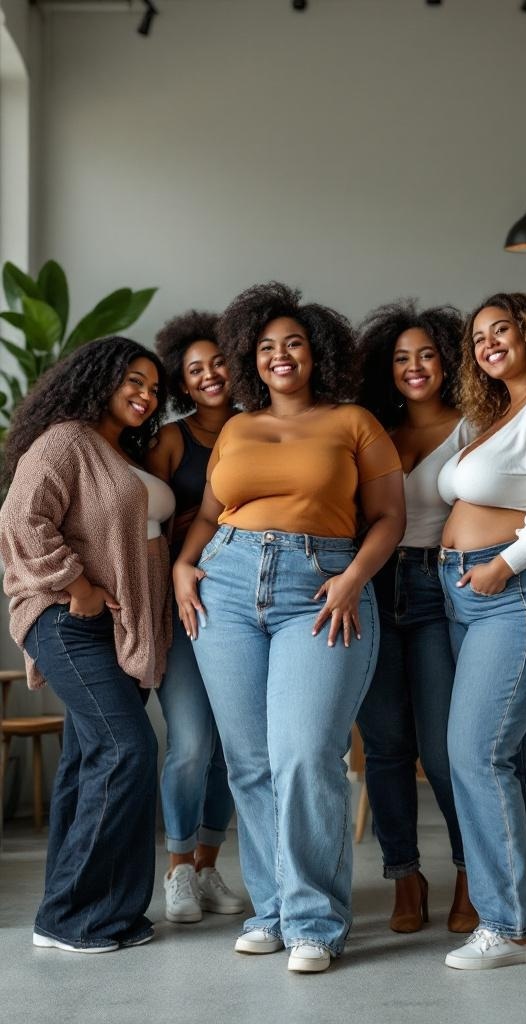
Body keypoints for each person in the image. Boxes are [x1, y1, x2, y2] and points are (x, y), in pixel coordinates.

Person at [173, 282, 405, 972]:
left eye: (294, 342)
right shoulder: (238, 428)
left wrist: (354, 577)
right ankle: (272, 911)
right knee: (250, 762)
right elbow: (210, 515)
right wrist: (183, 565)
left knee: (305, 753)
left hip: (322, 587)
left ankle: (314, 923)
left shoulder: (354, 422)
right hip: (226, 585)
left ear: (317, 352)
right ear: (251, 358)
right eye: (266, 346)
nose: (280, 355)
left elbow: (389, 517)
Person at [0, 337, 175, 953]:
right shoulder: (65, 440)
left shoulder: (120, 449)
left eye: (154, 387)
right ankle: (72, 917)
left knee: (85, 763)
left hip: (115, 627)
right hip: (67, 620)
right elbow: (20, 519)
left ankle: (96, 914)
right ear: (99, 378)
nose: (145, 395)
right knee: (127, 749)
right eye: (133, 380)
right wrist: (79, 586)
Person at [436, 293, 526, 970]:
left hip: (521, 588)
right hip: (473, 592)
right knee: (510, 757)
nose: (489, 342)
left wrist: (504, 564)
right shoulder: (498, 414)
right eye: (479, 336)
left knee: (474, 754)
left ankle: (509, 929)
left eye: (503, 329)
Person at [355, 300, 478, 934]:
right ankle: (405, 874)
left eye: (427, 354)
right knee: (385, 746)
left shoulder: (473, 426)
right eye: (402, 357)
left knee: (443, 748)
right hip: (372, 586)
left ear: (448, 361)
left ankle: (470, 871)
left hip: (439, 587)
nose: (415, 367)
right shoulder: (374, 429)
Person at [146, 310, 243, 922]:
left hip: (241, 604)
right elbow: (147, 520)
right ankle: (178, 869)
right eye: (195, 369)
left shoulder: (257, 427)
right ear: (181, 382)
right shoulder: (173, 439)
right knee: (190, 742)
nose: (210, 375)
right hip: (181, 605)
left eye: (218, 362)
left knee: (232, 748)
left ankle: (207, 866)